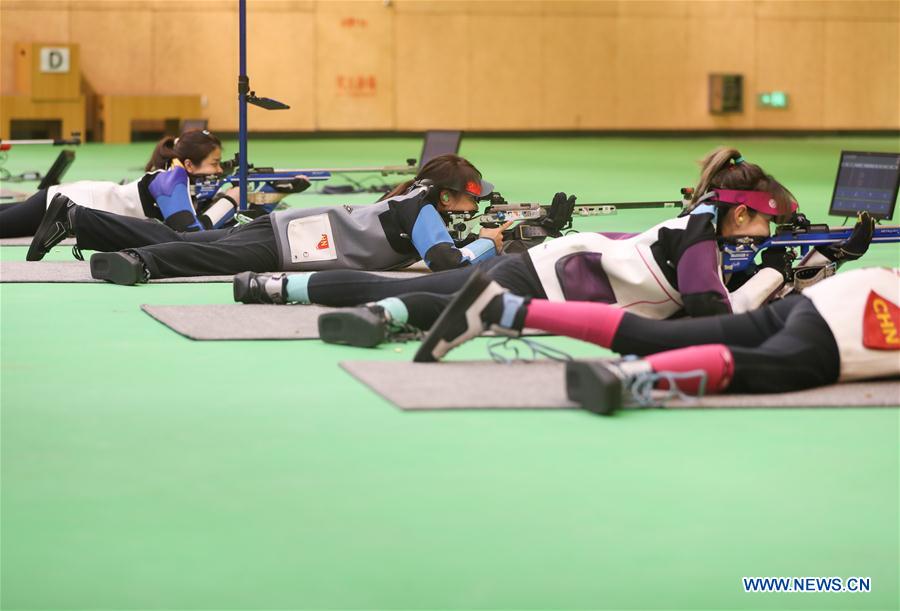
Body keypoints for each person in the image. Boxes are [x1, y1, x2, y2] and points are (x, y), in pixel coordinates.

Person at [241, 148, 872, 348]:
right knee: (417, 292)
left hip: (551, 270)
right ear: (741, 215)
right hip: (544, 282)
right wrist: (770, 276)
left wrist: (811, 269)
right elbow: (721, 322)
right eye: (765, 227)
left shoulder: (700, 222)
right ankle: (332, 303)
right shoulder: (704, 243)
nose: (766, 238)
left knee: (418, 291)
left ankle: (280, 289)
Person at [414, 267, 899, 414]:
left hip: (842, 293)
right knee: (774, 368)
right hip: (857, 326)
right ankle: (628, 377)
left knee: (660, 336)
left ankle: (503, 308)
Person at [26, 154, 514, 283]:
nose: (474, 210)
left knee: (208, 247)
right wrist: (492, 242)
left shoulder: (418, 203)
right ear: (449, 197)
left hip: (294, 233)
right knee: (204, 255)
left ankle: (80, 220)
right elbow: (448, 264)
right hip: (294, 243)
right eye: (471, 202)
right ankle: (138, 261)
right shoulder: (425, 211)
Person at [3, 130, 243, 249]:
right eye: (214, 163)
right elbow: (188, 234)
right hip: (61, 205)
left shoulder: (179, 180)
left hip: (68, 202)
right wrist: (229, 201)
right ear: (189, 165)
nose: (219, 170)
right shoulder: (172, 179)